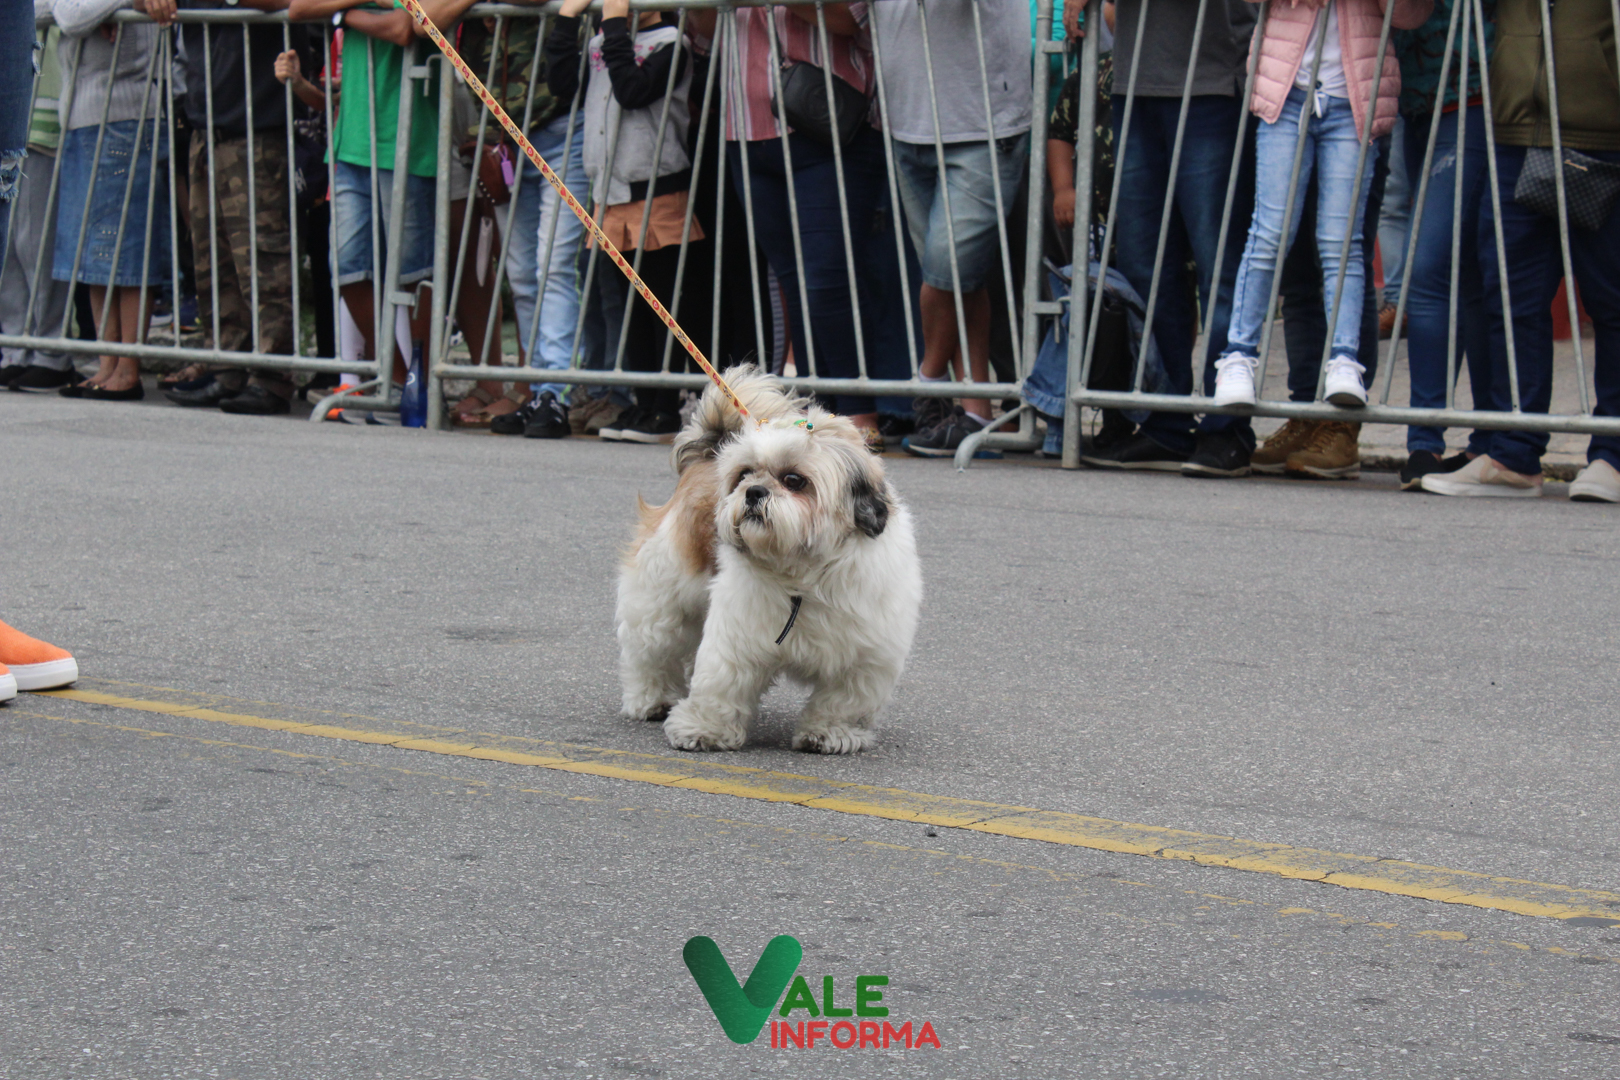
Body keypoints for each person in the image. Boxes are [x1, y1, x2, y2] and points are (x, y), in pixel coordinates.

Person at [1210, 0, 1431, 460]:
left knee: (1341, 242)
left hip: (1355, 97)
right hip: (1286, 91)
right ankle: (1237, 358)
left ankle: (1344, 362)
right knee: (1270, 234)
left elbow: (1411, 14)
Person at [1424, 0, 1620, 501]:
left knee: (1612, 299)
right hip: (1515, 129)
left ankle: (1613, 455)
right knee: (1511, 297)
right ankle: (1513, 455)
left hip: (1604, 130)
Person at [688, 3, 887, 449]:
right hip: (745, 129)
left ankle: (858, 415)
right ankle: (820, 418)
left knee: (828, 279)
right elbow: (706, 29)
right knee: (794, 281)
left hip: (829, 121)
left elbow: (849, 17)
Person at [1075, 0, 1260, 476]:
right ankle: (1166, 422)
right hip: (1136, 82)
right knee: (1146, 266)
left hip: (1212, 80)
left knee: (1220, 264)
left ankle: (1227, 427)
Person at [870, 0, 1032, 458]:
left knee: (947, 269)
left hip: (984, 120)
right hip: (907, 118)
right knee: (961, 279)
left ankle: (929, 380)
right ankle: (975, 410)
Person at [161, 0, 306, 416]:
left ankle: (271, 374)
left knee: (263, 259)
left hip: (257, 123)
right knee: (213, 259)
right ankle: (227, 365)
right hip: (206, 123)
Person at [1391, 0, 1495, 490]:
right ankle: (1488, 439)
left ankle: (1424, 442)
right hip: (1418, 101)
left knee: (1429, 267)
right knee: (1466, 273)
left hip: (1472, 95)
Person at [47, 0, 173, 402]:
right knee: (94, 253)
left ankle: (127, 367)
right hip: (84, 117)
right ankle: (107, 364)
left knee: (126, 248)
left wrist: (90, 9)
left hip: (125, 116)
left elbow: (71, 17)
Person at [0, 20, 78, 392]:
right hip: (15, 120)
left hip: (42, 123)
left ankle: (50, 349)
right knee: (11, 248)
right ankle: (16, 345)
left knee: (36, 243)